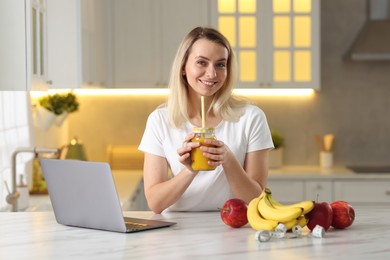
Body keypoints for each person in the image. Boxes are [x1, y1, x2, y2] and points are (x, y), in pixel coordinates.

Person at [138, 27, 274, 214]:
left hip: (232, 228)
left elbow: (255, 201)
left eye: (220, 64)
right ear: (183, 67)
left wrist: (227, 159)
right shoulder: (160, 120)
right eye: (202, 62)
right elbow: (155, 203)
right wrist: (190, 170)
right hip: (177, 229)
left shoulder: (251, 117)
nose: (211, 74)